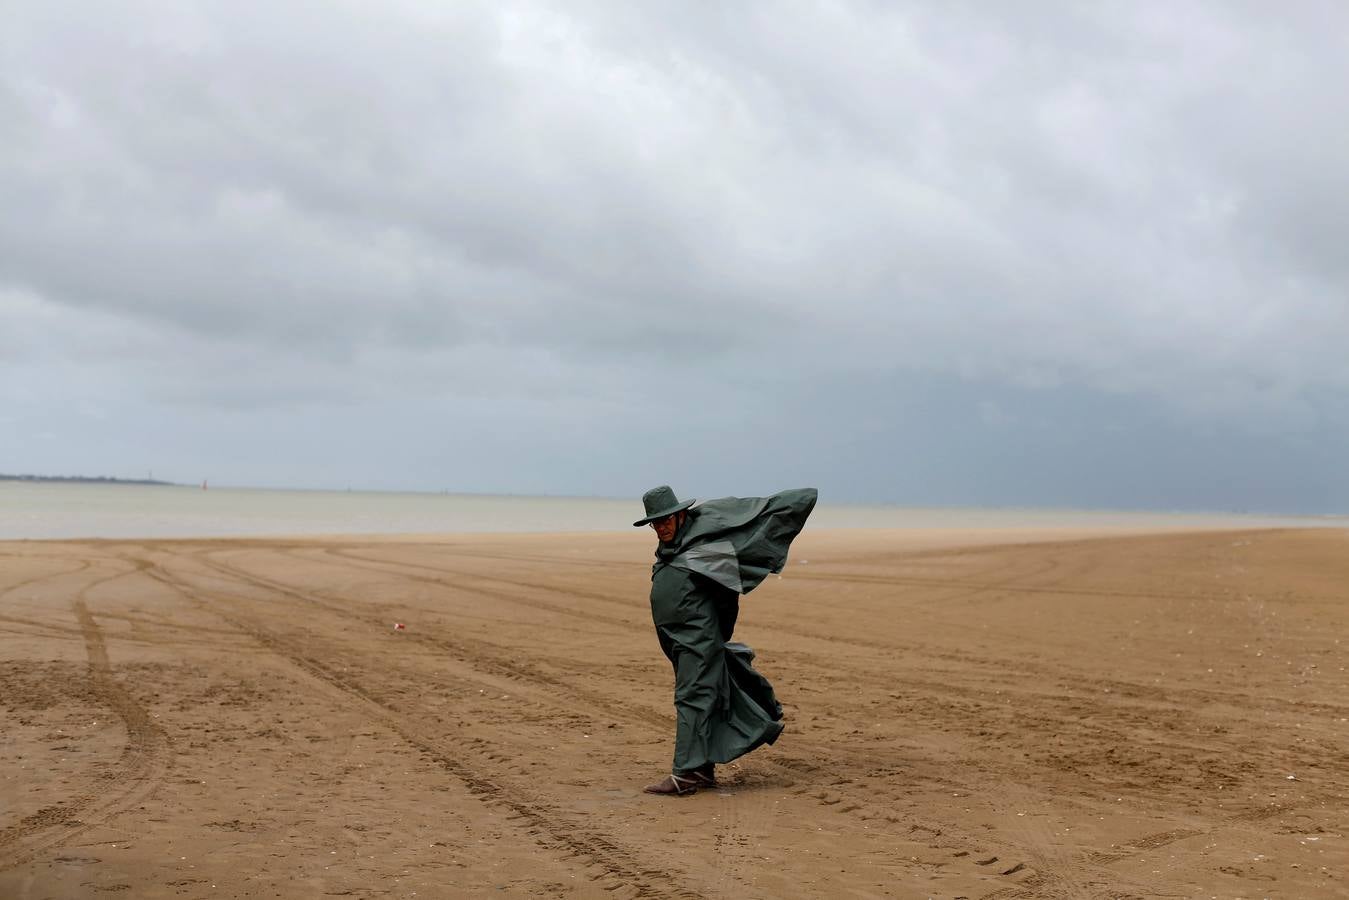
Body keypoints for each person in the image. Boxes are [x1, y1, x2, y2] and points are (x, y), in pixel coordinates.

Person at [633, 484, 818, 796]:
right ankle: (702, 769)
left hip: (698, 643)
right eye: (656, 522)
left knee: (691, 700)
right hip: (680, 643)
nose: (661, 526)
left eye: (666, 519)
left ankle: (685, 774)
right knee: (704, 699)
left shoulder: (704, 551)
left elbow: (727, 596)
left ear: (681, 516)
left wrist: (713, 635)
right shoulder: (669, 553)